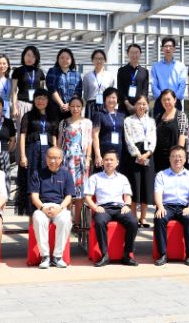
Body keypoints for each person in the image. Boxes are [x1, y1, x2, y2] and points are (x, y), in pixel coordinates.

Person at [85, 150, 139, 267]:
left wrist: (127, 205)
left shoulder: (122, 178)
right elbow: (88, 197)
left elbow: (128, 196)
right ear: (102, 162)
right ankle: (104, 255)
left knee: (133, 222)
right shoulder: (95, 177)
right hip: (103, 208)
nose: (109, 162)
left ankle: (127, 254)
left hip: (120, 208)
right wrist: (95, 207)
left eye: (111, 160)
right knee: (99, 222)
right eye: (106, 160)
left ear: (117, 162)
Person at [153, 146, 189, 266]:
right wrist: (160, 207)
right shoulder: (161, 175)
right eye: (174, 156)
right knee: (159, 218)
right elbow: (158, 193)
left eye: (180, 156)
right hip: (166, 206)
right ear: (169, 158)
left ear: (185, 159)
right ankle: (163, 254)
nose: (177, 159)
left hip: (184, 206)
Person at [30, 147, 75, 269]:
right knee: (38, 219)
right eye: (50, 157)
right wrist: (42, 208)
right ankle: (45, 256)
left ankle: (57, 257)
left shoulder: (66, 174)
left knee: (66, 219)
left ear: (61, 159)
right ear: (46, 158)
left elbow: (69, 196)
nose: (52, 161)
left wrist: (60, 208)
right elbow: (34, 196)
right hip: (43, 206)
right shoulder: (37, 173)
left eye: (55, 158)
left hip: (59, 207)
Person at [15, 90, 53, 216]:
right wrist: (23, 155)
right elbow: (22, 136)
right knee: (32, 181)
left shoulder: (52, 116)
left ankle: (46, 211)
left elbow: (54, 135)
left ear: (48, 100)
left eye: (43, 98)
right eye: (38, 98)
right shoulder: (28, 116)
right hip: (32, 152)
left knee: (46, 181)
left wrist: (56, 153)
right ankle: (32, 214)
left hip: (48, 153)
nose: (40, 101)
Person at [59, 96, 93, 227]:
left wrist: (88, 158)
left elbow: (89, 142)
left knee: (80, 192)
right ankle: (67, 220)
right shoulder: (63, 122)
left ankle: (77, 222)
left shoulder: (87, 122)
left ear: (82, 107)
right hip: (66, 160)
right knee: (67, 191)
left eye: (78, 106)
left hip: (80, 160)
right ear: (69, 107)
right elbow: (60, 142)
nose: (75, 109)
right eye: (72, 106)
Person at [123, 94, 156, 226]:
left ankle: (143, 217)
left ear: (147, 105)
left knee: (146, 186)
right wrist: (138, 154)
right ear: (134, 105)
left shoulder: (151, 121)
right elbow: (128, 139)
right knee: (135, 186)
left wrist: (147, 154)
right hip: (134, 154)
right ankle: (134, 217)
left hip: (148, 154)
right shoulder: (128, 120)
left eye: (144, 104)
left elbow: (153, 139)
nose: (141, 106)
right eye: (139, 103)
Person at [153, 89, 189, 178]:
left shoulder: (181, 115)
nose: (166, 102)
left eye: (168, 99)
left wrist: (178, 155)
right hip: (159, 158)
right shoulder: (158, 117)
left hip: (174, 159)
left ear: (175, 100)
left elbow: (182, 135)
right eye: (164, 100)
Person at [91, 88, 125, 172]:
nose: (111, 100)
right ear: (105, 99)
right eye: (109, 97)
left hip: (119, 151)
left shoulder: (122, 115)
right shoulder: (99, 114)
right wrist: (97, 155)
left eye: (114, 97)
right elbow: (95, 136)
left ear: (117, 99)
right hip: (104, 150)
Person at [151, 37, 187, 115]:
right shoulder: (156, 66)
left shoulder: (181, 66)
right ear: (162, 48)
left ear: (174, 49)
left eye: (170, 46)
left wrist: (174, 98)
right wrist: (162, 98)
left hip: (175, 102)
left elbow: (182, 84)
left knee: (177, 122)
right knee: (159, 122)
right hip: (160, 102)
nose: (168, 48)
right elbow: (154, 84)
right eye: (165, 46)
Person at [10, 45, 45, 121]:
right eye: (28, 55)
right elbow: (14, 90)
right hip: (22, 104)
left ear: (36, 58)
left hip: (36, 105)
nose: (30, 58)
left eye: (33, 56)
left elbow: (42, 92)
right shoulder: (17, 71)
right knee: (22, 127)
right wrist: (14, 107)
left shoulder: (40, 72)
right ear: (23, 56)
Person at [47, 48, 82, 120]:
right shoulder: (52, 71)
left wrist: (69, 105)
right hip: (55, 108)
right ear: (58, 59)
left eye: (67, 58)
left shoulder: (76, 74)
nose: (64, 60)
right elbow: (52, 89)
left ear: (71, 60)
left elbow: (78, 92)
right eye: (62, 58)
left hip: (72, 110)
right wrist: (61, 105)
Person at [83, 49, 118, 120]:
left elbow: (111, 92)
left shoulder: (109, 75)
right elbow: (86, 94)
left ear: (105, 60)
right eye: (96, 58)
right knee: (91, 125)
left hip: (106, 105)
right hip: (91, 105)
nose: (98, 61)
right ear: (92, 60)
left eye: (101, 59)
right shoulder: (87, 76)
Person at [117, 43, 150, 115]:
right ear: (128, 54)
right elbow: (120, 90)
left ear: (140, 54)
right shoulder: (122, 70)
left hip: (140, 107)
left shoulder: (144, 71)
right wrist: (128, 104)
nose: (134, 55)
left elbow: (145, 91)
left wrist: (139, 104)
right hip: (124, 107)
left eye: (136, 52)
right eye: (132, 52)